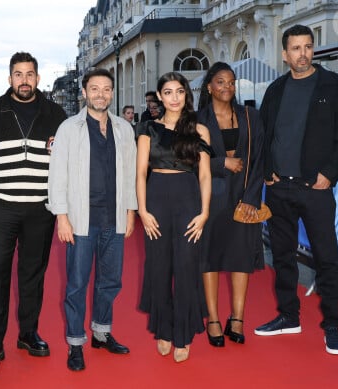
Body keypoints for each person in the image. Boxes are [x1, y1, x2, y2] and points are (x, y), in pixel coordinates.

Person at [254, 25, 338, 355]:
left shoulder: (334, 86)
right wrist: (267, 170)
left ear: (313, 50)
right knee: (283, 256)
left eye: (307, 47)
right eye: (295, 48)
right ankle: (288, 316)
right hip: (279, 189)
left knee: (326, 258)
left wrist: (329, 173)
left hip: (316, 189)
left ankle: (332, 325)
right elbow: (264, 135)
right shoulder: (275, 90)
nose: (302, 53)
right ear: (284, 54)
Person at [0, 52, 67, 373]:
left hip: (40, 209)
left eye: (30, 74)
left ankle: (28, 333)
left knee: (33, 275)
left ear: (37, 78)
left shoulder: (55, 113)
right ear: (10, 79)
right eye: (18, 74)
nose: (24, 80)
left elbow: (65, 163)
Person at [47, 68, 137, 371]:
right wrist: (62, 217)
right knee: (76, 284)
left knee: (110, 281)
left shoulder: (124, 129)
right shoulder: (69, 128)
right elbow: (57, 175)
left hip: (114, 216)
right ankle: (75, 342)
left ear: (112, 92)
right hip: (81, 219)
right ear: (84, 92)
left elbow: (131, 174)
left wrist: (131, 211)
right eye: (95, 89)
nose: (101, 94)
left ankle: (101, 332)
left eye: (107, 89)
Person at [136, 72, 211, 363]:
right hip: (156, 197)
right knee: (158, 266)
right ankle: (164, 330)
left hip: (188, 197)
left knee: (185, 266)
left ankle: (182, 334)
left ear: (186, 95)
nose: (175, 98)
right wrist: (142, 210)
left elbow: (205, 175)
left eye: (179, 91)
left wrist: (204, 213)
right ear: (159, 96)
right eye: (168, 92)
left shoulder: (199, 130)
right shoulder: (147, 129)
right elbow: (141, 172)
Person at [196, 62, 265, 348]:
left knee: (241, 257)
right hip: (209, 198)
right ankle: (212, 318)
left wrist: (251, 198)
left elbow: (260, 158)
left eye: (232, 82)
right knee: (208, 257)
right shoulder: (197, 118)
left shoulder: (250, 116)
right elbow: (187, 158)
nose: (227, 87)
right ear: (209, 86)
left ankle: (237, 317)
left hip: (243, 198)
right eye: (221, 82)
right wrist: (220, 162)